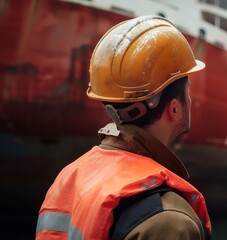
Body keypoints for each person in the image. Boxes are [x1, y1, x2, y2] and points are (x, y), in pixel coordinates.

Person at [35, 16, 211, 240]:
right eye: (188, 91)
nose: (192, 101)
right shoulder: (169, 221)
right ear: (174, 109)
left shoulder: (70, 177)